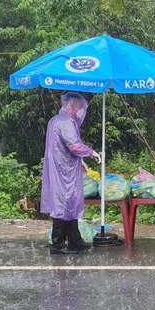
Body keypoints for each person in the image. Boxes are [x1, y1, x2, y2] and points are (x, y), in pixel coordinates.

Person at [42, 92, 101, 255]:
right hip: (64, 171)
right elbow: (74, 145)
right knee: (63, 204)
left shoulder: (55, 120)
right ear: (73, 106)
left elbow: (60, 146)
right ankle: (58, 244)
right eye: (80, 107)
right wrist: (91, 153)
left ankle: (75, 241)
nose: (81, 112)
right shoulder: (66, 122)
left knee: (68, 204)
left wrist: (80, 160)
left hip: (61, 167)